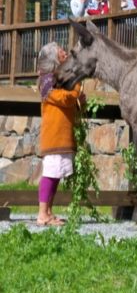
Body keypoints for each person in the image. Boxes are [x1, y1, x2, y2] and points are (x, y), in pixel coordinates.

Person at [35, 42, 84, 227]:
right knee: (50, 174)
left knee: (55, 175)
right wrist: (77, 88)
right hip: (54, 136)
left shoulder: (58, 80)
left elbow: (71, 102)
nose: (64, 52)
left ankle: (48, 212)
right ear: (54, 59)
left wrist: (79, 99)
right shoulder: (47, 81)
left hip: (61, 136)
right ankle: (42, 214)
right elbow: (65, 99)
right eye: (61, 51)